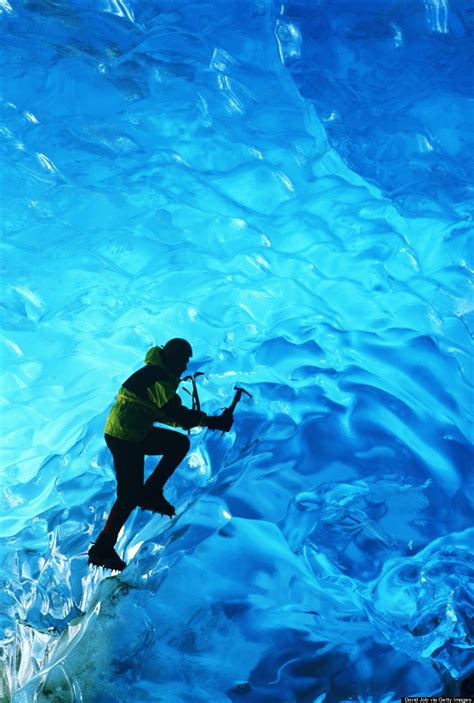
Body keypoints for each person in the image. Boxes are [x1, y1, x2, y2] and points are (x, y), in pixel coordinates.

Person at [88, 338, 233, 571]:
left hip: (130, 431)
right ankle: (104, 547)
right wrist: (211, 421)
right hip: (127, 436)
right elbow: (176, 413)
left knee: (176, 445)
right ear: (173, 358)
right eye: (184, 360)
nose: (186, 366)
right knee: (129, 494)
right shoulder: (156, 376)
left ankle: (150, 493)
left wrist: (206, 421)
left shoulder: (156, 376)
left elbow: (167, 415)